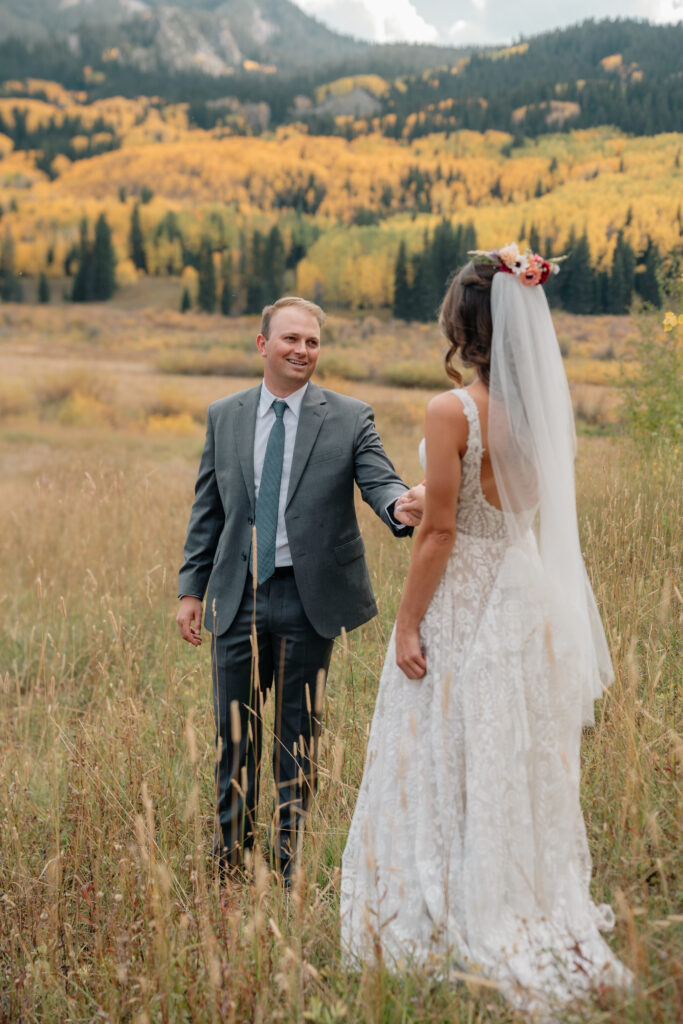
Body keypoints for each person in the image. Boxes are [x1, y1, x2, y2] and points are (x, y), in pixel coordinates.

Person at [340, 247, 632, 1015]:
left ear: (461, 329)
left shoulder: (451, 411)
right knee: (513, 755)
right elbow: (488, 504)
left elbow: (441, 534)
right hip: (525, 597)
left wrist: (406, 625)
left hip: (464, 599)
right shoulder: (543, 415)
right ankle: (528, 895)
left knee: (436, 748)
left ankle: (450, 906)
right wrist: (420, 496)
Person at [176, 296, 420, 882]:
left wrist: (400, 504)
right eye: (290, 339)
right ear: (263, 345)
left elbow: (380, 480)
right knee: (234, 732)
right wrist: (191, 589)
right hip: (238, 596)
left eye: (311, 342)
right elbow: (208, 510)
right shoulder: (225, 414)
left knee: (296, 737)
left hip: (309, 598)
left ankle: (284, 864)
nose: (302, 350)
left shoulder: (349, 416)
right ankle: (230, 861)